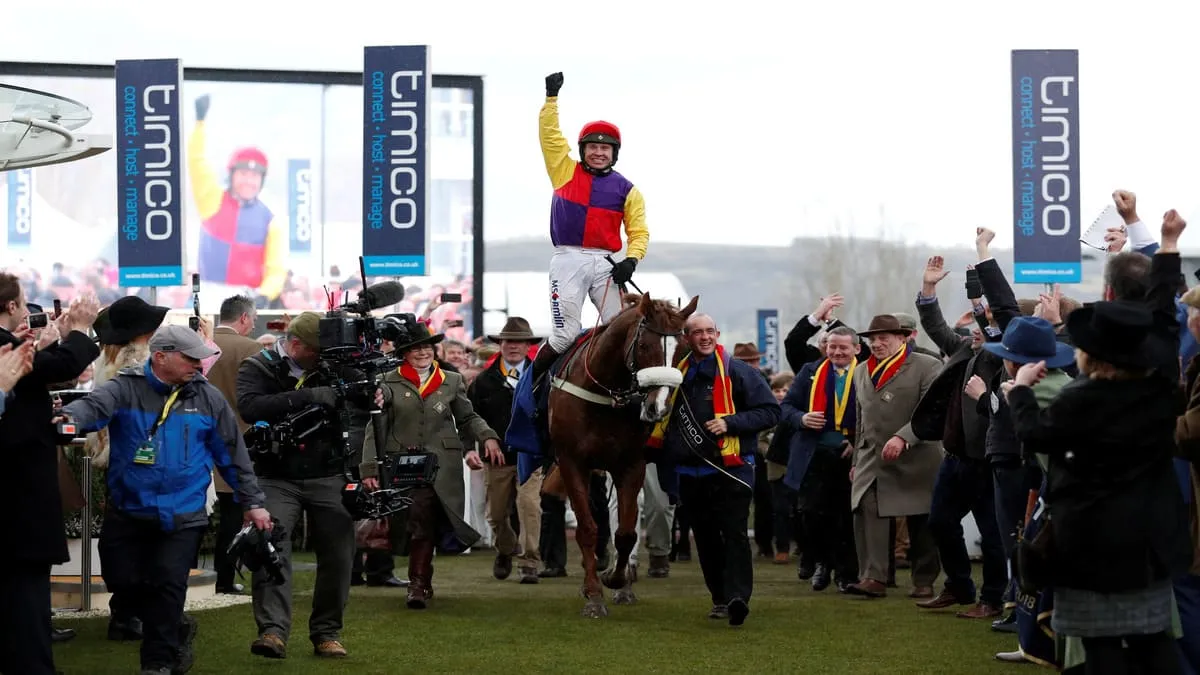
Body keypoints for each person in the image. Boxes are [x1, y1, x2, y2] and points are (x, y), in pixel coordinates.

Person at [60, 325, 271, 675]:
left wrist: (253, 502)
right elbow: (92, 407)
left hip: (183, 515)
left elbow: (233, 454)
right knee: (123, 582)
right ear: (161, 357)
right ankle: (175, 626)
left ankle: (157, 664)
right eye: (191, 359)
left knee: (168, 586)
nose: (199, 366)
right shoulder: (124, 388)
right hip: (128, 511)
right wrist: (67, 418)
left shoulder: (208, 398)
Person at [1007, 299, 1190, 674]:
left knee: (1101, 645)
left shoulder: (1081, 399)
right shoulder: (1160, 396)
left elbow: (1035, 433)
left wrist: (1021, 391)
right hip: (1147, 541)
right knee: (1153, 640)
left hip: (1089, 544)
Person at [236, 312, 366, 659]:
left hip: (329, 473)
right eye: (316, 351)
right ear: (294, 344)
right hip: (276, 474)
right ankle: (272, 631)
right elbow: (249, 407)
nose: (321, 358)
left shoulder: (332, 365)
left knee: (339, 555)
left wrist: (373, 393)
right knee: (270, 548)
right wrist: (310, 396)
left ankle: (327, 632)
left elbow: (363, 396)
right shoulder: (258, 366)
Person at [648, 313, 781, 626]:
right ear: (686, 338)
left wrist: (731, 423)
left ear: (718, 334)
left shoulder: (739, 371)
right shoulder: (673, 377)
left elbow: (771, 411)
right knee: (706, 539)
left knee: (734, 534)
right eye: (698, 332)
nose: (705, 337)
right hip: (689, 473)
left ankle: (738, 598)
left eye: (710, 331)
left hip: (732, 469)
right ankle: (720, 598)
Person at [361, 321, 502, 609]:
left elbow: (467, 417)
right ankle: (419, 582)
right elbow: (374, 427)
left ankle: (420, 581)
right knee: (418, 519)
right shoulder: (387, 382)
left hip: (443, 466)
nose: (422, 352)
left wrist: (487, 436)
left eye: (426, 347)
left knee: (429, 521)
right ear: (404, 353)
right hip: (403, 465)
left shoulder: (452, 380)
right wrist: (369, 468)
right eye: (415, 348)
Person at [0, 277, 98, 675]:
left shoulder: (10, 345)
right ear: (10, 306)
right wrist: (80, 329)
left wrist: (48, 341)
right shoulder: (4, 348)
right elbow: (58, 367)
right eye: (24, 303)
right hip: (18, 496)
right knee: (26, 595)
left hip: (18, 494)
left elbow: (44, 370)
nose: (28, 311)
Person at [526, 71, 650, 386]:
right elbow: (550, 135)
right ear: (583, 150)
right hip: (568, 260)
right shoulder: (563, 170)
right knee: (565, 334)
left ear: (614, 153)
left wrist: (631, 260)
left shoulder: (628, 190)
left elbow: (639, 232)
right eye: (592, 147)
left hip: (606, 264)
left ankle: (628, 392)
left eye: (605, 149)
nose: (598, 152)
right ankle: (529, 387)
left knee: (622, 329)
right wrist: (551, 99)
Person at [845, 314, 943, 599]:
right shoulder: (861, 371)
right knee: (865, 508)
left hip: (918, 455)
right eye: (872, 339)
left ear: (902, 338)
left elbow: (933, 411)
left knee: (921, 519)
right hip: (872, 456)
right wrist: (856, 461)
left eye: (883, 338)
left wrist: (904, 437)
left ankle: (923, 580)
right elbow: (861, 420)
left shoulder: (928, 366)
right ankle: (873, 577)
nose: (876, 344)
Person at [781, 326, 862, 593]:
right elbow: (786, 407)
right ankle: (822, 563)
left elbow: (876, 414)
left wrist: (857, 441)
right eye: (832, 346)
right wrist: (802, 418)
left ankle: (846, 573)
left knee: (846, 515)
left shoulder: (866, 373)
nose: (837, 352)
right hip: (813, 453)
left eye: (843, 347)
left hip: (850, 454)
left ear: (856, 349)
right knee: (811, 513)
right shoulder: (810, 371)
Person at [188, 94, 288, 307]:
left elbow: (276, 269)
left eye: (254, 176)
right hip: (209, 295)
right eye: (243, 174)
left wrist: (265, 294)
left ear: (261, 180)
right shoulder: (212, 200)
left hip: (246, 298)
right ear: (232, 175)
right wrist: (200, 124)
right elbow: (197, 163)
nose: (248, 181)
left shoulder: (270, 220)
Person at [467, 317, 544, 583]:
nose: (513, 346)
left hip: (530, 457)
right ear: (500, 344)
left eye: (519, 342)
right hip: (496, 459)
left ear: (528, 346)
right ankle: (505, 548)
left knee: (530, 506)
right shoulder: (483, 381)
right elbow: (469, 418)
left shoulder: (541, 377)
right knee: (496, 515)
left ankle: (530, 562)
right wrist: (476, 445)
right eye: (509, 341)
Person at [208, 295, 264, 595]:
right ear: (243, 318)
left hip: (197, 442)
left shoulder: (199, 344)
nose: (253, 325)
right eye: (253, 320)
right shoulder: (250, 348)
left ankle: (188, 576)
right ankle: (224, 579)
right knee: (232, 516)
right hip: (238, 442)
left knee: (192, 517)